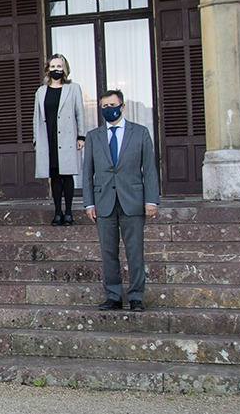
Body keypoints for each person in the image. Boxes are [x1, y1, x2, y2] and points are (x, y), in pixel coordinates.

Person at [82, 89, 159, 312]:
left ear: (122, 106)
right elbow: (87, 172)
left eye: (112, 105)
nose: (109, 109)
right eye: (104, 106)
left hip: (133, 200)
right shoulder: (94, 136)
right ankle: (113, 296)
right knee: (108, 252)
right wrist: (89, 203)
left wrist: (151, 200)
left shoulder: (140, 133)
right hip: (104, 201)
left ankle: (136, 296)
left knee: (135, 251)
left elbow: (150, 170)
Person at [33, 54, 87, 225]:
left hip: (68, 136)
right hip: (48, 137)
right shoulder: (41, 91)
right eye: (53, 66)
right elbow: (36, 117)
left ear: (65, 69)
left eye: (59, 66)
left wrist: (81, 136)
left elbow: (80, 113)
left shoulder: (73, 88)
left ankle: (69, 212)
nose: (56, 69)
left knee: (67, 175)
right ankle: (57, 212)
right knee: (54, 175)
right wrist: (36, 140)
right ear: (48, 69)